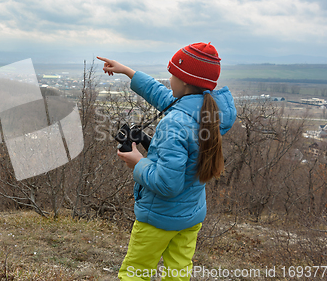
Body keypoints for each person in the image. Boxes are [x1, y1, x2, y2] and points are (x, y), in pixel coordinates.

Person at [97, 42, 237, 281]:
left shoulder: (174, 123)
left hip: (160, 217)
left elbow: (167, 184)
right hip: (190, 215)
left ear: (184, 82)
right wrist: (128, 71)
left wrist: (138, 162)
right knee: (178, 273)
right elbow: (164, 96)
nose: (169, 80)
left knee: (135, 274)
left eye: (172, 74)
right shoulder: (209, 111)